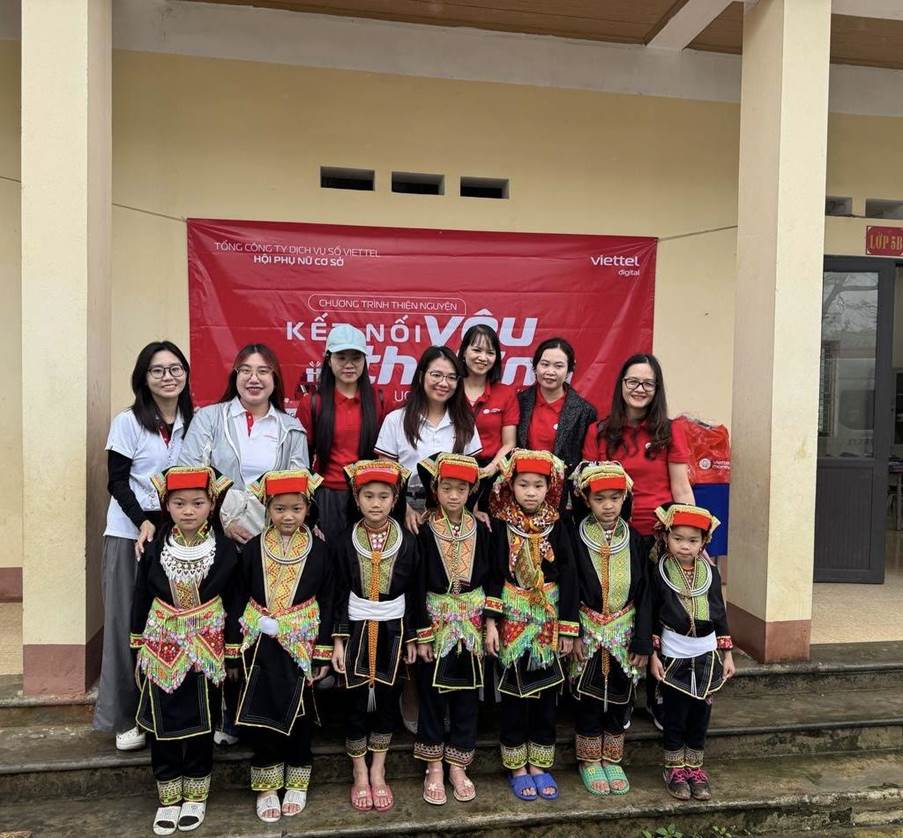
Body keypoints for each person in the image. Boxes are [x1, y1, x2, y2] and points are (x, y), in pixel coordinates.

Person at [584, 353, 694, 728]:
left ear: (657, 389)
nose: (639, 389)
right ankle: (624, 691)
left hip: (659, 536)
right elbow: (589, 488)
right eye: (632, 382)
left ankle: (660, 692)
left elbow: (681, 487)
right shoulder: (600, 431)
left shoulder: (670, 430)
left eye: (648, 383)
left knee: (662, 615)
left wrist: (695, 539)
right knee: (624, 615)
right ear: (621, 385)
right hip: (614, 539)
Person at [94, 341, 194, 753]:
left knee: (173, 625)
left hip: (177, 535)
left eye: (175, 369)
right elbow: (116, 480)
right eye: (157, 370)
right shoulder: (128, 421)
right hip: (129, 533)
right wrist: (144, 522)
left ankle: (166, 712)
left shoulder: (195, 419)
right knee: (125, 625)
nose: (167, 377)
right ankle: (125, 718)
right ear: (143, 377)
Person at [130, 466, 240, 836]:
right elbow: (141, 596)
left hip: (207, 646)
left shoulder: (224, 550)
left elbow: (236, 599)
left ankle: (195, 792)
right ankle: (167, 794)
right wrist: (137, 644)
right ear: (167, 505)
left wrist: (233, 651)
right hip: (161, 641)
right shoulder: (155, 546)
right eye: (179, 503)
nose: (188, 510)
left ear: (212, 504)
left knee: (202, 717)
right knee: (163, 722)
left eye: (197, 502)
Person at [233, 469, 334, 823]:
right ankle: (265, 784)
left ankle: (297, 779)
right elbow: (238, 594)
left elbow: (328, 599)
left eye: (295, 509)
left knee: (300, 712)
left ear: (307, 509)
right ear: (267, 509)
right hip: (260, 641)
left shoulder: (320, 550)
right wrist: (236, 644)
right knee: (262, 714)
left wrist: (322, 649)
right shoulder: (252, 549)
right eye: (279, 509)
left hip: (301, 642)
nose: (287, 517)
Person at [484, 449, 578, 802]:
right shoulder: (499, 526)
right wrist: (491, 622)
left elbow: (569, 575)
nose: (531, 492)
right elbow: (493, 574)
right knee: (513, 694)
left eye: (538, 485)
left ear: (549, 487)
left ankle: (539, 763)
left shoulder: (558, 525)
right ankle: (516, 765)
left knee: (545, 693)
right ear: (511, 486)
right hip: (512, 617)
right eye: (523, 484)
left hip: (548, 620)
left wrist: (569, 627)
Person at [330, 460, 420, 813]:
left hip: (394, 631)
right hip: (354, 630)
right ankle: (359, 772)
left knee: (385, 700)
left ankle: (379, 771)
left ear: (396, 497)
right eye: (368, 495)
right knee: (354, 705)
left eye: (384, 496)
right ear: (356, 496)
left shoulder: (409, 543)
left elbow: (413, 592)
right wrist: (337, 640)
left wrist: (413, 637)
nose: (376, 503)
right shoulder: (343, 541)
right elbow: (336, 590)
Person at [568, 461, 651, 796]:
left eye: (615, 498)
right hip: (587, 627)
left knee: (620, 694)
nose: (608, 505)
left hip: (624, 630)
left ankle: (612, 756)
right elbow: (570, 587)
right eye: (600, 498)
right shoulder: (574, 537)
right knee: (587, 694)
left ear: (624, 499)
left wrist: (643, 639)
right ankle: (589, 760)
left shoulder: (635, 540)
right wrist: (571, 631)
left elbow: (645, 592)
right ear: (587, 499)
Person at [413, 454, 491, 806]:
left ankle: (459, 764)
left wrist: (490, 623)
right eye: (447, 488)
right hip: (436, 618)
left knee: (466, 695)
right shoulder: (424, 529)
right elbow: (415, 584)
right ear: (435, 489)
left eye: (462, 488)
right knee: (432, 694)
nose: (455, 495)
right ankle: (432, 766)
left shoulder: (483, 528)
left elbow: (490, 580)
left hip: (472, 622)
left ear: (472, 490)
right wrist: (422, 631)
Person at [179, 343, 309, 546]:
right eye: (245, 371)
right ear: (235, 377)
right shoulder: (208, 418)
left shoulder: (292, 429)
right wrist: (224, 522)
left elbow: (298, 488)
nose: (254, 378)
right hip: (214, 538)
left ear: (275, 379)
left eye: (263, 371)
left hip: (271, 540)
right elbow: (189, 477)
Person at [648, 503, 735, 802]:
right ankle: (673, 768)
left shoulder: (710, 572)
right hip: (674, 653)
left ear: (703, 543)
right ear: (666, 537)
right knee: (676, 713)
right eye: (679, 538)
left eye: (693, 540)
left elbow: (720, 614)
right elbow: (650, 615)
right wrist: (653, 655)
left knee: (701, 713)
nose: (685, 546)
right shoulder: (659, 572)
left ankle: (695, 767)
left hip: (706, 653)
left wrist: (727, 654)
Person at [375, 345, 481, 534]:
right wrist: (404, 509)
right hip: (407, 510)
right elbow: (387, 473)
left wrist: (471, 510)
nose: (444, 383)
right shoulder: (396, 419)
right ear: (421, 375)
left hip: (452, 511)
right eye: (436, 375)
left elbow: (473, 473)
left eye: (451, 377)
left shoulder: (465, 422)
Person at [296, 324, 385, 542]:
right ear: (328, 359)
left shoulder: (378, 400)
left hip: (368, 495)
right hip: (325, 495)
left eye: (356, 358)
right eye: (341, 357)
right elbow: (302, 459)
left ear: (365, 360)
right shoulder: (312, 403)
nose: (349, 365)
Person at [517, 337, 597, 479]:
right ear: (535, 366)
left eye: (558, 366)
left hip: (564, 492)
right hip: (523, 487)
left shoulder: (584, 412)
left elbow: (587, 463)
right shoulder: (518, 402)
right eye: (545, 364)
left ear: (569, 370)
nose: (550, 371)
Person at [458, 325, 518, 479]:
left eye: (490, 353)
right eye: (477, 350)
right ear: (464, 351)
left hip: (491, 472)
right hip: (452, 470)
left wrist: (491, 468)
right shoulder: (449, 388)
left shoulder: (506, 393)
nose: (483, 358)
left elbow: (509, 443)